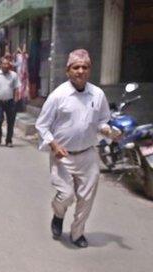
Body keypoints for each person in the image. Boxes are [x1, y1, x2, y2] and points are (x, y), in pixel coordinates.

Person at [35, 49, 120, 248]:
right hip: (62, 155)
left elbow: (101, 121)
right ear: (68, 71)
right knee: (65, 195)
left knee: (86, 198)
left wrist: (108, 132)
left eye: (85, 67)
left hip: (88, 155)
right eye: (76, 67)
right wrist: (54, 145)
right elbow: (42, 124)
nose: (80, 71)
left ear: (90, 70)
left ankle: (77, 233)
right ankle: (58, 214)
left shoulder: (97, 94)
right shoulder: (58, 95)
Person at [0, 57, 20, 147]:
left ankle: (9, 140)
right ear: (0, 65)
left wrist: (16, 100)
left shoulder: (14, 75)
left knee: (11, 122)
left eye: (7, 64)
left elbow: (16, 88)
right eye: (4, 64)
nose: (6, 66)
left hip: (10, 102)